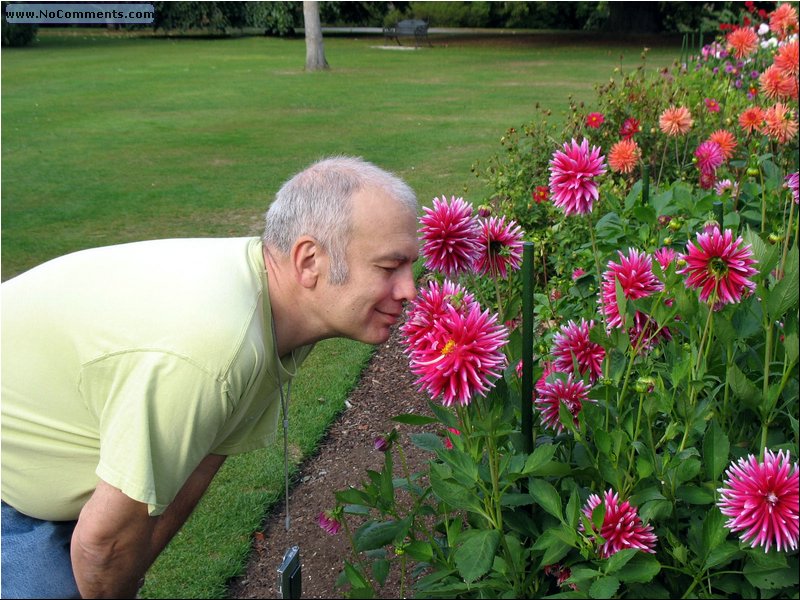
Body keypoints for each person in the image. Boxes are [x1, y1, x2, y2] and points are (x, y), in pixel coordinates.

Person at [1, 155, 420, 599]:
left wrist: (132, 568)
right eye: (389, 267)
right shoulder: (215, 346)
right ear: (310, 260)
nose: (410, 289)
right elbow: (102, 546)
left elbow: (198, 466)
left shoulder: (279, 308)